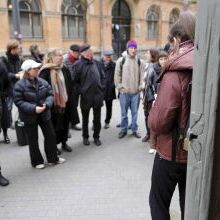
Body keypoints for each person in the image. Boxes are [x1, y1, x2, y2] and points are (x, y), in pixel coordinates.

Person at [148, 11, 195, 220]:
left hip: (171, 152)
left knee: (158, 201)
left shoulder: (175, 71)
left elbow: (159, 123)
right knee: (189, 203)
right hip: (197, 152)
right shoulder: (206, 61)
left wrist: (152, 112)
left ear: (176, 39)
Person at [13, 59, 66, 169]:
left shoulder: (42, 81)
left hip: (44, 113)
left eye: (37, 68)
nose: (37, 70)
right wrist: (33, 108)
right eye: (35, 68)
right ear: (27, 71)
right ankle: (36, 162)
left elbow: (50, 94)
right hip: (29, 116)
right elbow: (18, 101)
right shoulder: (19, 85)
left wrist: (47, 104)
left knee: (51, 136)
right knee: (33, 139)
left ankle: (53, 159)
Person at [39, 49, 73, 154]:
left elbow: (70, 84)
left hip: (65, 102)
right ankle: (54, 145)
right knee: (54, 126)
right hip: (53, 104)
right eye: (59, 55)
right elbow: (42, 89)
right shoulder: (45, 71)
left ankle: (64, 142)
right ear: (51, 57)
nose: (62, 57)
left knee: (65, 124)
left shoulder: (64, 68)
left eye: (62, 55)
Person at [73, 44, 105, 146]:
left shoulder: (97, 63)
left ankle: (96, 137)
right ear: (83, 53)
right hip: (86, 97)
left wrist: (102, 88)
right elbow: (75, 82)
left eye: (91, 50)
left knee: (97, 119)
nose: (91, 52)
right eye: (89, 51)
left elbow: (103, 77)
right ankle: (85, 137)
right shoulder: (78, 65)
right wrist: (82, 91)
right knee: (85, 119)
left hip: (97, 96)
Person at [114, 40, 145, 139]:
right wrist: (120, 87)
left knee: (135, 113)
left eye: (135, 48)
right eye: (131, 48)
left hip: (135, 93)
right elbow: (117, 75)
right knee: (124, 113)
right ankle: (123, 129)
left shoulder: (139, 61)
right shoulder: (121, 60)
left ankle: (134, 129)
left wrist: (140, 87)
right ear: (127, 48)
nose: (133, 50)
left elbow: (142, 76)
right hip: (124, 93)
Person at [1, 40, 23, 142]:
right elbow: (4, 75)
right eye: (18, 47)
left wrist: (21, 73)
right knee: (6, 111)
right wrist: (16, 75)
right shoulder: (4, 60)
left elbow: (19, 70)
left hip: (18, 87)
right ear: (13, 49)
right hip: (7, 89)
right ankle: (6, 131)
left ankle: (19, 127)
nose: (20, 49)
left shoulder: (19, 59)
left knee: (19, 108)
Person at [142, 49, 159, 145]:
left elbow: (155, 84)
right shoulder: (147, 66)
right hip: (146, 96)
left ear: (152, 55)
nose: (145, 55)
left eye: (147, 53)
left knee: (151, 117)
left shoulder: (154, 67)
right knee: (146, 116)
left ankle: (153, 137)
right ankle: (148, 134)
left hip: (151, 97)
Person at [63, 44, 81, 131]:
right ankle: (67, 127)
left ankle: (73, 124)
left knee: (75, 106)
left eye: (79, 53)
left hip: (76, 87)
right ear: (72, 52)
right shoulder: (66, 61)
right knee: (68, 107)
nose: (78, 54)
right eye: (77, 53)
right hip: (68, 87)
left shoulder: (79, 60)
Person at [101, 50, 116, 129]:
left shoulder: (114, 65)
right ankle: (95, 122)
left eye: (110, 57)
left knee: (109, 106)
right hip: (100, 89)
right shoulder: (99, 64)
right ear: (103, 56)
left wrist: (113, 84)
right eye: (107, 56)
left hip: (109, 89)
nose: (108, 58)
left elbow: (116, 76)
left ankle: (107, 121)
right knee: (97, 107)